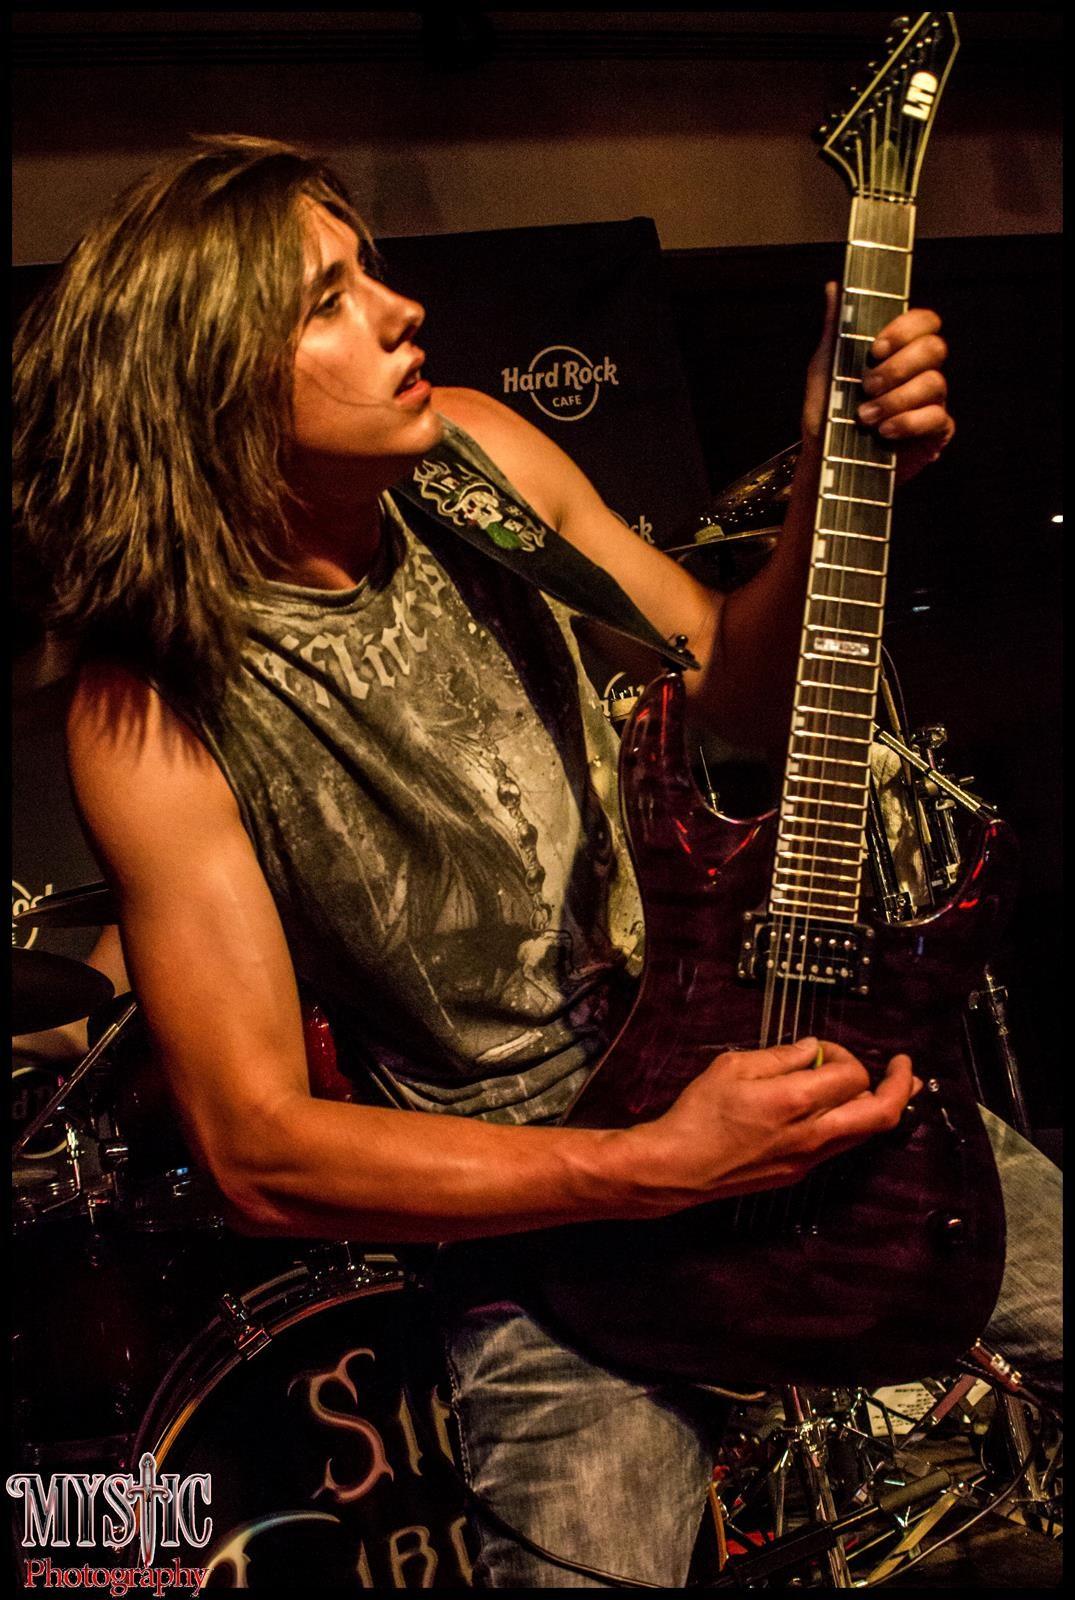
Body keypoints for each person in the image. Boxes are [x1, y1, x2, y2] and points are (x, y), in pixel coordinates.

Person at [13, 136, 1059, 1587]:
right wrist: (648, 1168)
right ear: (205, 384)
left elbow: (734, 693)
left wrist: (836, 478)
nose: (400, 312)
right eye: (327, 300)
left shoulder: (478, 459)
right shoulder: (152, 709)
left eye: (371, 271)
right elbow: (257, 1148)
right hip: (547, 1220)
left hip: (757, 1062)